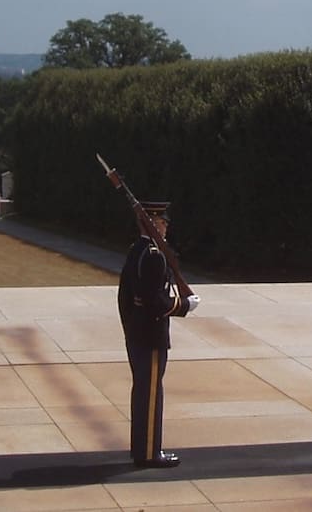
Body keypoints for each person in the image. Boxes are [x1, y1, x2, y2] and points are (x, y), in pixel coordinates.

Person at [117, 201, 199, 469]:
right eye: (161, 223)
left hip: (137, 333)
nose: (165, 227)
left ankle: (142, 448)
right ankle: (150, 453)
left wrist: (129, 325)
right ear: (151, 224)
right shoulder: (153, 255)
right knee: (150, 394)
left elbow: (126, 298)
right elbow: (155, 301)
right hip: (151, 336)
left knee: (143, 392)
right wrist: (185, 305)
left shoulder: (137, 250)